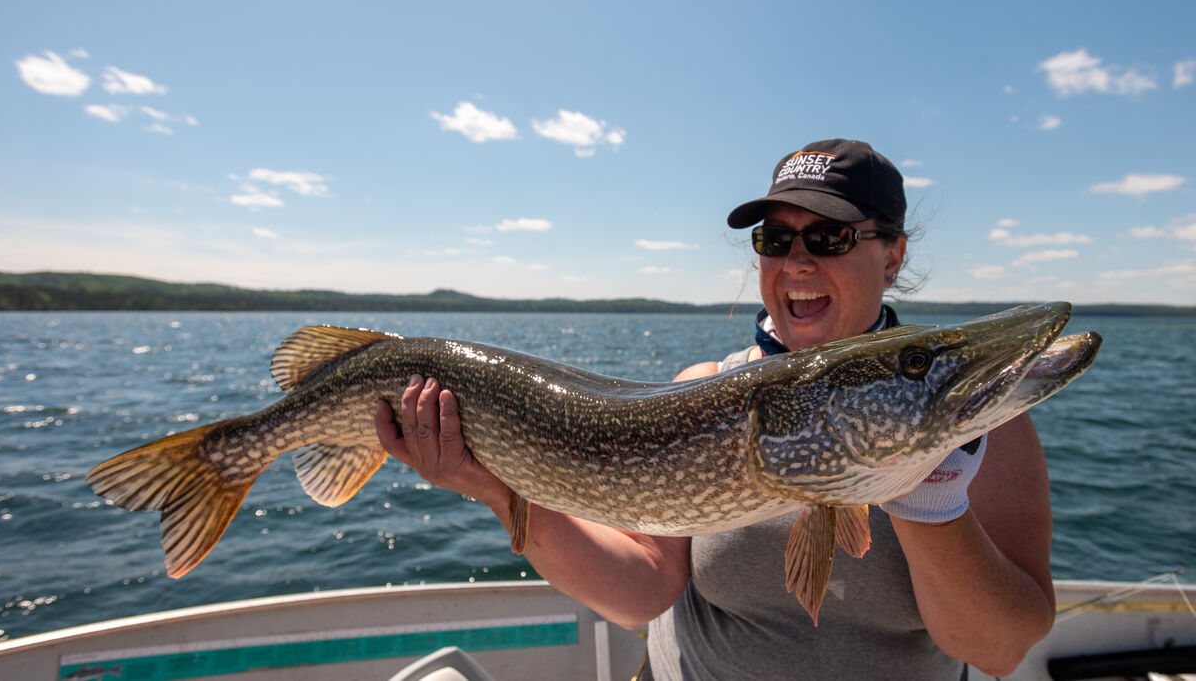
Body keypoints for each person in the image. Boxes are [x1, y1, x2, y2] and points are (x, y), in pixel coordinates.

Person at [375, 139, 1055, 679]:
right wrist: (497, 487)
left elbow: (997, 650)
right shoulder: (703, 387)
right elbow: (641, 592)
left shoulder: (977, 426)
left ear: (894, 253)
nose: (796, 262)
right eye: (775, 239)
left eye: (829, 239)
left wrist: (929, 492)